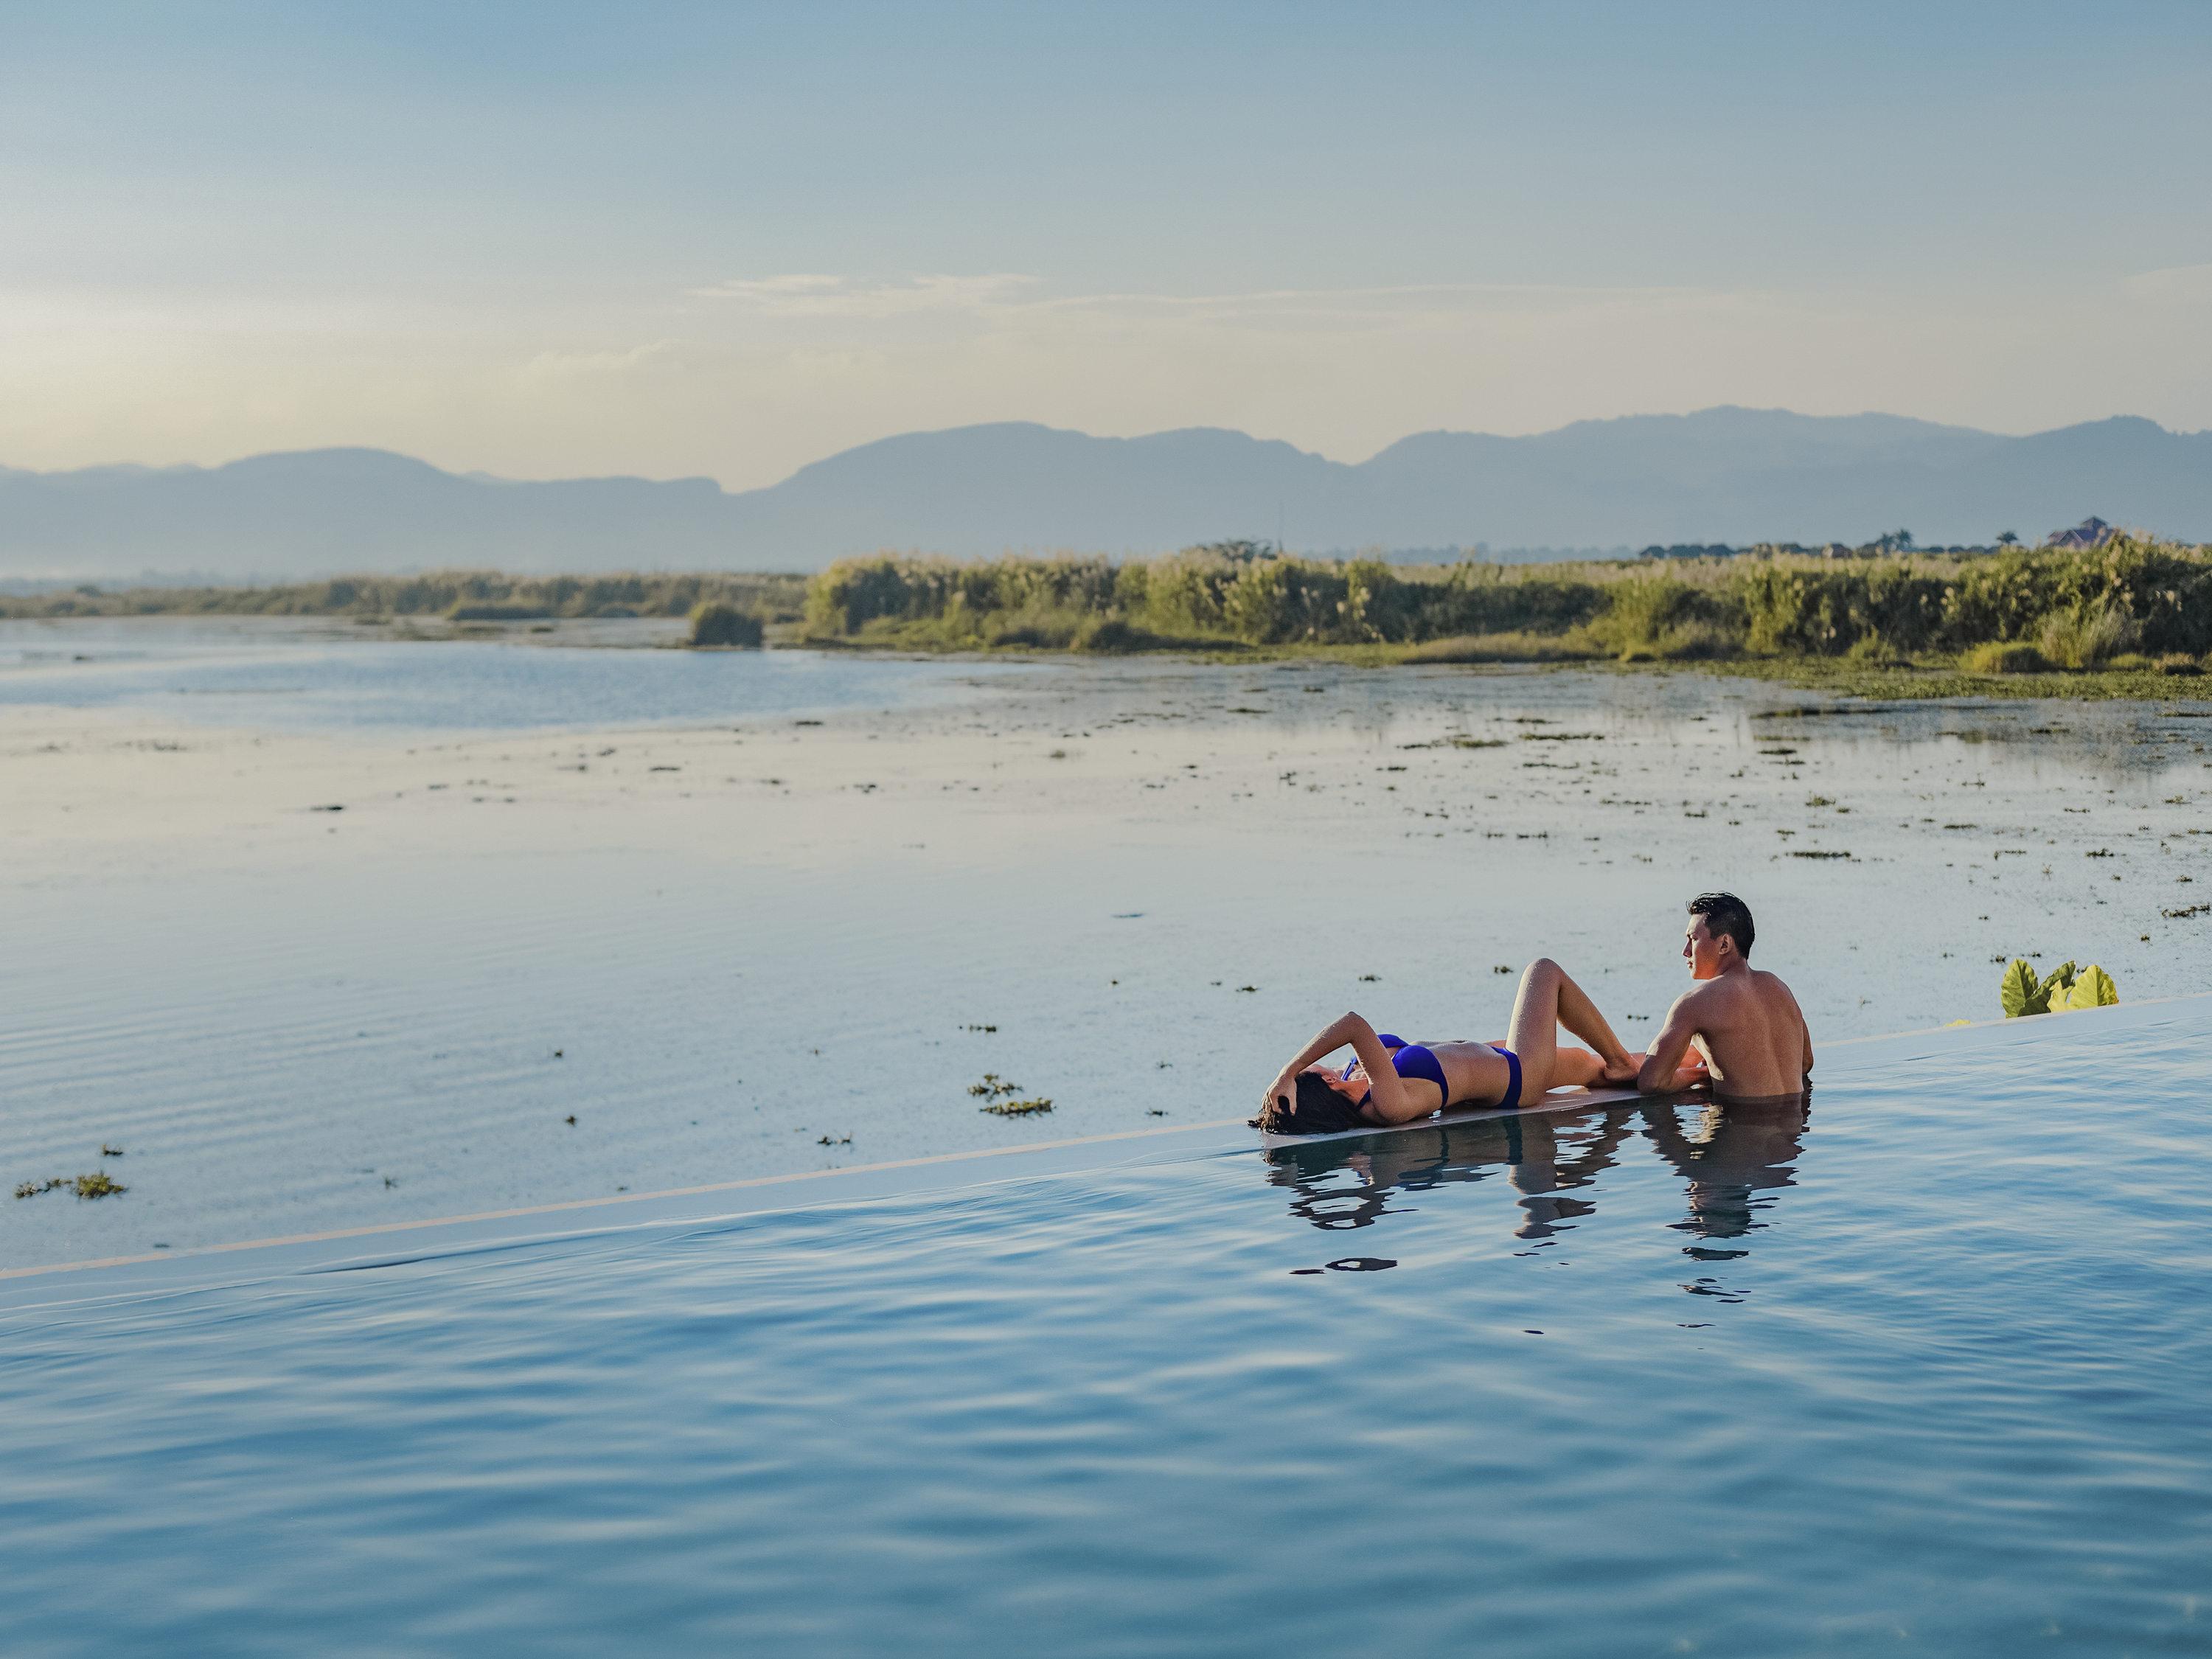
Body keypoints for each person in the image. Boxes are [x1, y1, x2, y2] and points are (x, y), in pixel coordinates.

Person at [1256, 957, 1694, 1135]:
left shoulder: (1357, 1076)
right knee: (1543, 972)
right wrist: (1285, 1072)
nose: (1310, 1067)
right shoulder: (1384, 1103)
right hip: (1519, 1077)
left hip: (1502, 1060)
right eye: (1305, 1074)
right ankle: (1627, 1061)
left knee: (1620, 1072)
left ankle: (1708, 1073)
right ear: (1324, 1083)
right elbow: (1353, 1024)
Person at [1637, 892, 1813, 1103]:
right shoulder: (1780, 988)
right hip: (1792, 1130)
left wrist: (1703, 1074)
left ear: (1724, 945)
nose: (1685, 952)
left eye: (1693, 939)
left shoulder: (1695, 1003)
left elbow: (1651, 1082)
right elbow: (1805, 1063)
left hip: (1740, 1129)